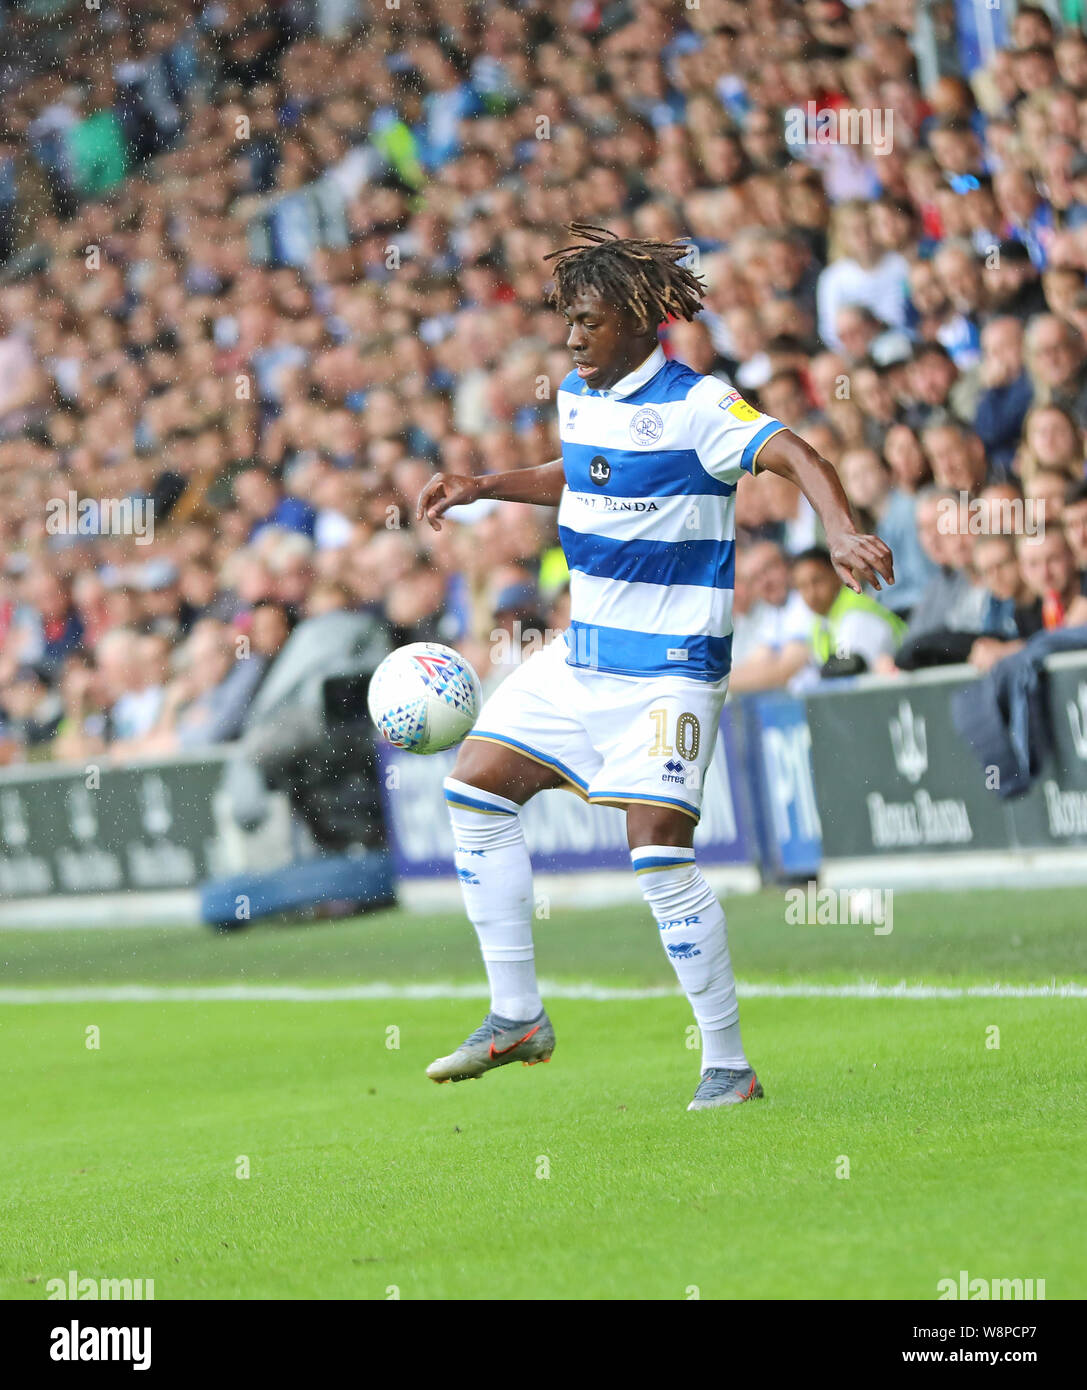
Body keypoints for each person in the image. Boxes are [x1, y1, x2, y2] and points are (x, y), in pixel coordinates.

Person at [416, 226, 893, 1112]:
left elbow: (794, 452)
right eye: (567, 321)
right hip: (583, 655)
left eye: (586, 322)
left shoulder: (699, 405)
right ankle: (515, 1015)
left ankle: (726, 1064)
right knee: (473, 789)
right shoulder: (577, 393)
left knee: (658, 858)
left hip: (670, 671)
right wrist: (485, 483)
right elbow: (584, 472)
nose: (570, 338)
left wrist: (837, 527)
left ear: (638, 320)